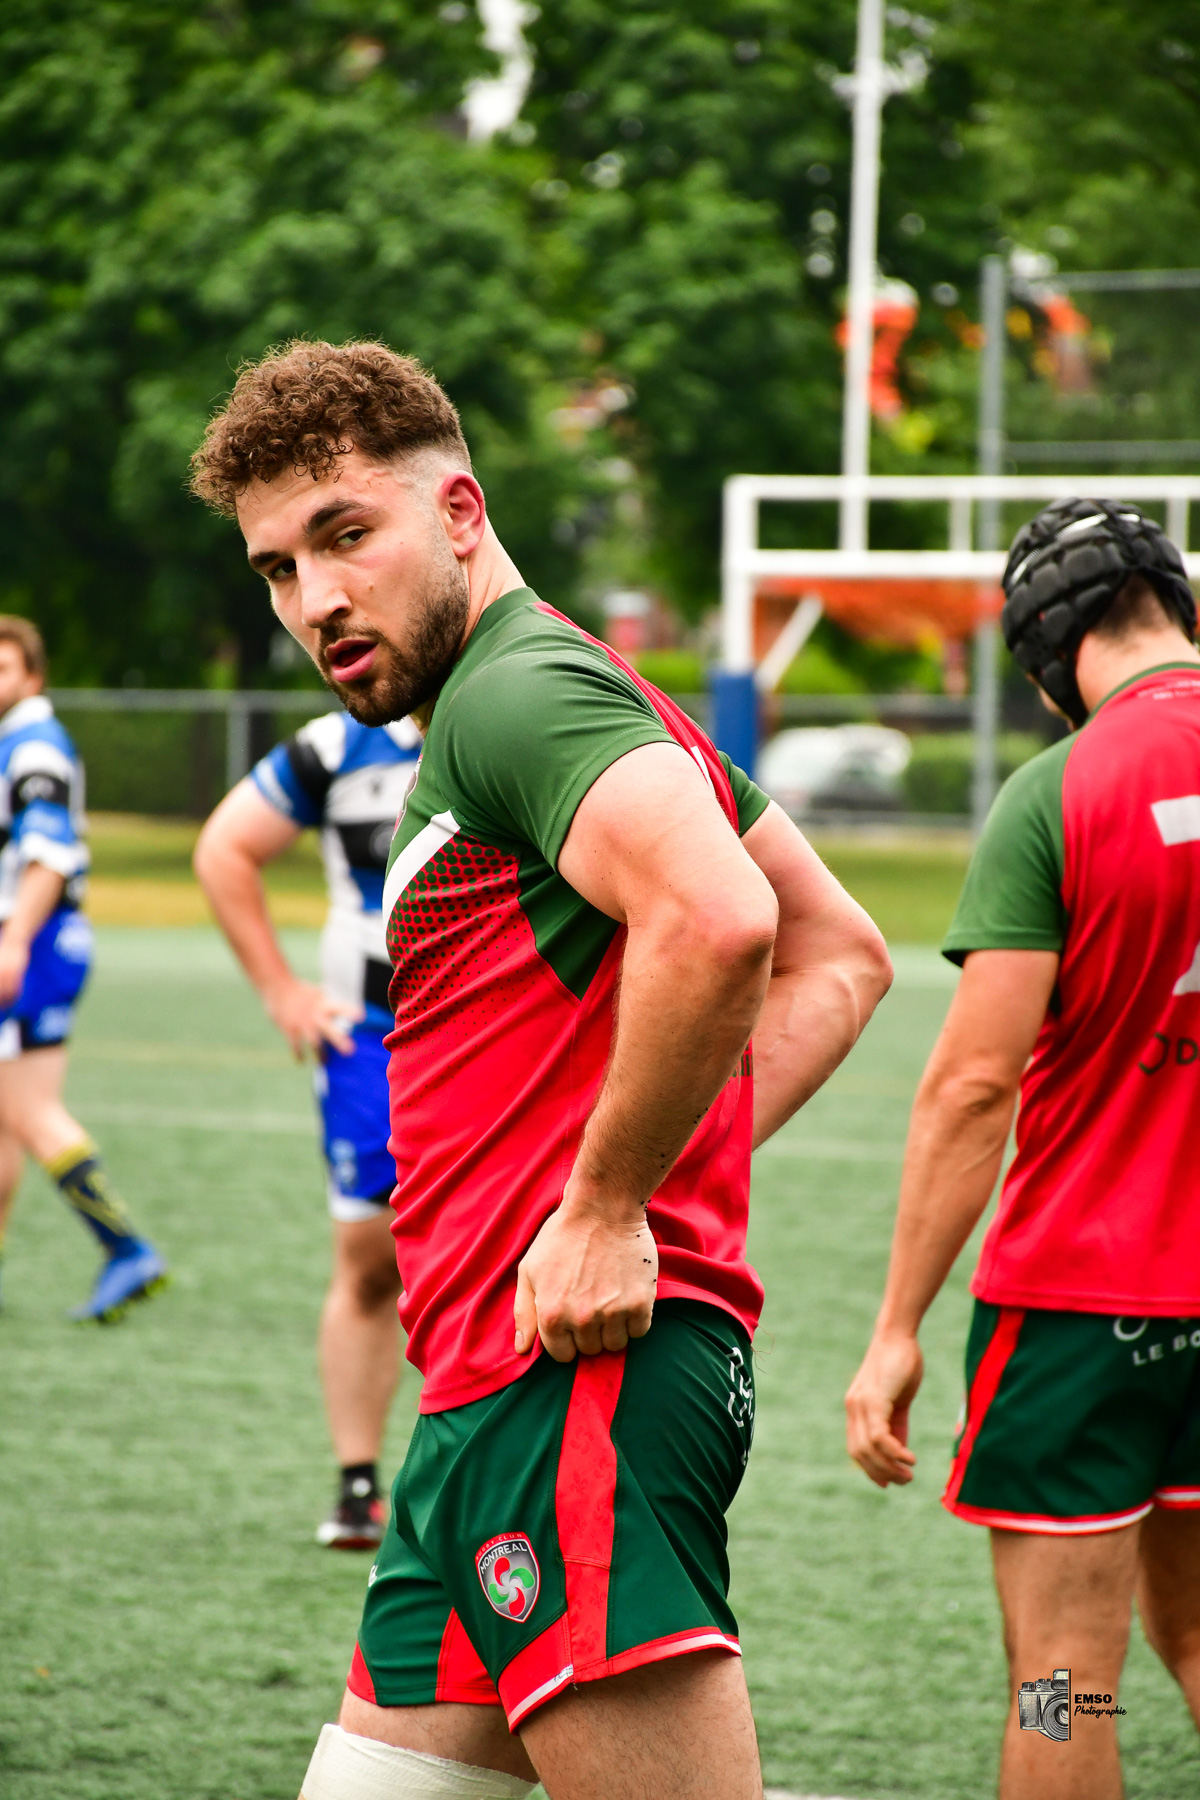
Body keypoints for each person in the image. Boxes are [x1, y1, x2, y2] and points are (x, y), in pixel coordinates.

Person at [190, 338, 892, 1800]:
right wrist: (641, 1172)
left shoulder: (524, 696)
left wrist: (610, 1204)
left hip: (568, 1389)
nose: (314, 599)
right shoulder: (554, 691)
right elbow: (841, 957)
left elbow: (727, 923)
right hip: (479, 1398)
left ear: (458, 514)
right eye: (275, 568)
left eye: (344, 534)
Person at [846, 498, 1200, 1800]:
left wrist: (895, 1327)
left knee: (1065, 1673)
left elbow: (973, 1085)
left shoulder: (1058, 791)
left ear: (1047, 660)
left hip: (1083, 1307)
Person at [194, 709, 420, 1548]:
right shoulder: (335, 744)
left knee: (511, 1247)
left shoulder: (511, 712)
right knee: (370, 1265)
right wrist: (281, 990)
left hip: (496, 1035)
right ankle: (359, 1485)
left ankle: (507, 1478)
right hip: (367, 1039)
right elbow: (224, 848)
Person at [0, 615, 166, 1321]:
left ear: (32, 678)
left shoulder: (33, 746)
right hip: (44, 943)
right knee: (10, 1118)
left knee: (29, 1113)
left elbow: (49, 854)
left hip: (30, 943)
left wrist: (13, 941)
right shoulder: (20, 742)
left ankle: (125, 1247)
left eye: (3, 668)